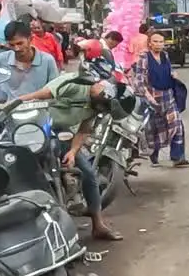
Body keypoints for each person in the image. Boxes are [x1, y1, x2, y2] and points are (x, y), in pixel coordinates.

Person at [18, 74, 130, 241]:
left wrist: (72, 152)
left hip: (63, 135)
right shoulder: (72, 83)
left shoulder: (96, 107)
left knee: (89, 174)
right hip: (36, 132)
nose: (100, 109)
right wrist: (14, 104)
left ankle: (98, 225)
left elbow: (83, 131)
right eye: (102, 105)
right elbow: (40, 95)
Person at [131, 33, 189, 167]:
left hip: (168, 96)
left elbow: (168, 70)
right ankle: (154, 156)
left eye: (161, 42)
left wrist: (173, 74)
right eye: (155, 42)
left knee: (177, 125)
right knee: (154, 129)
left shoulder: (165, 56)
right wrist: (149, 97)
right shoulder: (144, 57)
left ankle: (178, 157)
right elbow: (139, 80)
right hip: (152, 97)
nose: (158, 44)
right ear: (150, 43)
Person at [0, 21, 60, 102]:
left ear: (30, 39)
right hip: (8, 113)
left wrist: (20, 100)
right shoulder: (2, 59)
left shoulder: (47, 60)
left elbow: (53, 89)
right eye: (12, 45)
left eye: (20, 43)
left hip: (39, 112)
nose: (16, 48)